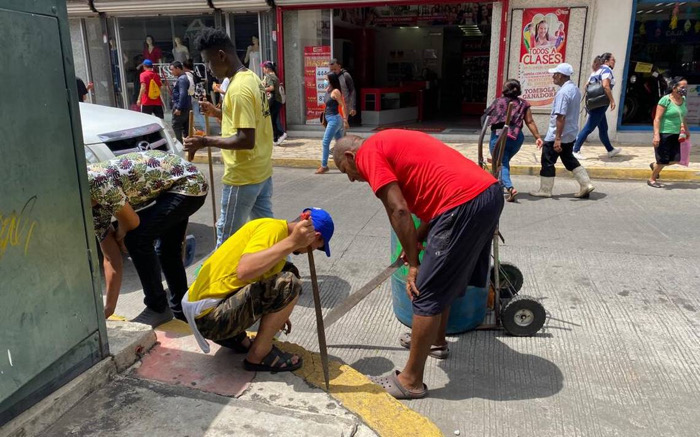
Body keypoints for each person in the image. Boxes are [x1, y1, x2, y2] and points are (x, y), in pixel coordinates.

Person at [332, 130, 503, 399]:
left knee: (425, 290)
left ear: (351, 156)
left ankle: (409, 381)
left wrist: (414, 263)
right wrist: (416, 241)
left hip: (464, 203)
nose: (353, 178)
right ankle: (435, 342)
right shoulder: (386, 143)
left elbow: (398, 210)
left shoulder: (367, 154)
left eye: (346, 170)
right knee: (443, 279)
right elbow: (435, 202)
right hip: (483, 194)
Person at [181, 208, 335, 372]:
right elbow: (245, 270)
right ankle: (259, 355)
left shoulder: (273, 231)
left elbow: (257, 279)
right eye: (318, 247)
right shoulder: (273, 230)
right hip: (209, 319)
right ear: (315, 236)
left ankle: (236, 339)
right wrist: (293, 242)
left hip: (203, 311)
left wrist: (278, 315)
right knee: (289, 282)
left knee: (287, 270)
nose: (309, 252)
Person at [88, 150, 208, 326]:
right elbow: (110, 258)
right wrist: (108, 309)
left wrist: (121, 234)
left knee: (137, 239)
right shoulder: (93, 211)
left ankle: (157, 307)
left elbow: (132, 222)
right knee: (167, 249)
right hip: (171, 187)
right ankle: (181, 307)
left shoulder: (94, 183)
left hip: (188, 183)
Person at [183, 28, 275, 248]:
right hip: (261, 173)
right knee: (269, 231)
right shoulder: (251, 78)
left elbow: (245, 140)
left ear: (221, 55)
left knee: (226, 239)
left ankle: (217, 281)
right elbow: (245, 122)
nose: (208, 69)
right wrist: (216, 113)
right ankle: (284, 269)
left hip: (243, 176)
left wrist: (204, 141)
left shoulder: (238, 88)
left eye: (208, 61)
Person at [530, 63, 595, 199]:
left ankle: (545, 189)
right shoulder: (575, 89)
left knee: (547, 160)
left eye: (555, 74)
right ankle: (586, 183)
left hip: (557, 134)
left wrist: (557, 139)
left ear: (560, 75)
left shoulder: (563, 93)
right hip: (570, 133)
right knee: (568, 158)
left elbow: (560, 116)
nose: (553, 77)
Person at [485, 79, 543, 201]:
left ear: (505, 90)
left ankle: (510, 188)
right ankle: (499, 184)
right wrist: (537, 137)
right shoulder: (524, 104)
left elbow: (487, 116)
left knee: (502, 163)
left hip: (499, 137)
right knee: (503, 161)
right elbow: (530, 121)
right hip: (516, 138)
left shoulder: (498, 101)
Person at [573, 53, 622, 160]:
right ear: (606, 61)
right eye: (613, 60)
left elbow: (586, 86)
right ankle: (575, 149)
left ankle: (610, 150)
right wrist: (612, 101)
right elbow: (605, 86)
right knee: (589, 127)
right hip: (601, 103)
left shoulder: (596, 70)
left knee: (603, 128)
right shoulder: (607, 70)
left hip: (593, 103)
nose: (614, 62)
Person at [649, 76, 689, 188]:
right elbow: (657, 119)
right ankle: (652, 179)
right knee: (663, 160)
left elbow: (683, 117)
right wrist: (656, 135)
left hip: (677, 134)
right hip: (664, 133)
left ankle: (654, 165)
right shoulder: (665, 100)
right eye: (682, 87)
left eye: (686, 87)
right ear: (674, 87)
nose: (684, 89)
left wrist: (687, 130)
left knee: (676, 159)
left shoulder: (683, 100)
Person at [317, 72, 348, 174]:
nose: (325, 81)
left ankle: (324, 165)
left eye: (326, 79)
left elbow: (342, 105)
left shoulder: (335, 91)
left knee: (325, 142)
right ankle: (350, 163)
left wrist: (345, 120)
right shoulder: (328, 90)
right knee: (341, 144)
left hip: (335, 120)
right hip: (330, 119)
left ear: (331, 80)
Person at [261, 61, 287, 145]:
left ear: (268, 69)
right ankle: (275, 139)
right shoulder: (275, 76)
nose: (263, 70)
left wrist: (262, 89)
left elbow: (271, 88)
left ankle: (281, 133)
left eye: (264, 68)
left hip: (274, 100)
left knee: (272, 119)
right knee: (273, 119)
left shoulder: (269, 76)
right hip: (277, 100)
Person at [169, 61, 192, 142]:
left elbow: (183, 93)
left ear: (178, 68)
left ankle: (179, 144)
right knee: (186, 128)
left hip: (181, 107)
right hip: (186, 106)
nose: (171, 72)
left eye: (172, 70)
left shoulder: (182, 79)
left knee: (176, 125)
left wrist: (178, 108)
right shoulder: (183, 77)